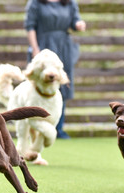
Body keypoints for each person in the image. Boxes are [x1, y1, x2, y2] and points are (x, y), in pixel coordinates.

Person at [24, 0, 86, 139]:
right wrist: (35, 49)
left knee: (62, 86)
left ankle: (58, 128)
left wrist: (78, 24)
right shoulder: (36, 3)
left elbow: (75, 21)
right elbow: (30, 26)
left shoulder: (69, 3)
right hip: (43, 45)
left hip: (64, 47)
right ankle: (35, 126)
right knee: (37, 87)